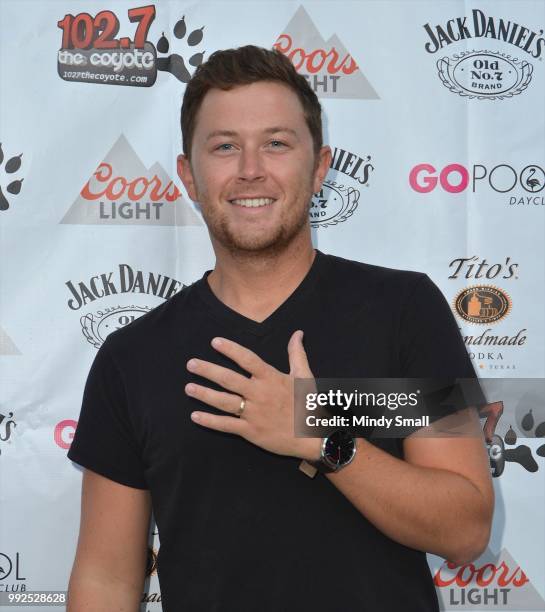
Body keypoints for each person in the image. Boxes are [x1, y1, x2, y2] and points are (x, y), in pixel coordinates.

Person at [66, 45, 494, 611]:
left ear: (318, 167)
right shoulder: (133, 356)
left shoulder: (403, 310)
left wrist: (317, 434)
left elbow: (465, 529)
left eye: (276, 143)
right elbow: (106, 580)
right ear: (189, 177)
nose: (250, 169)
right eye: (224, 147)